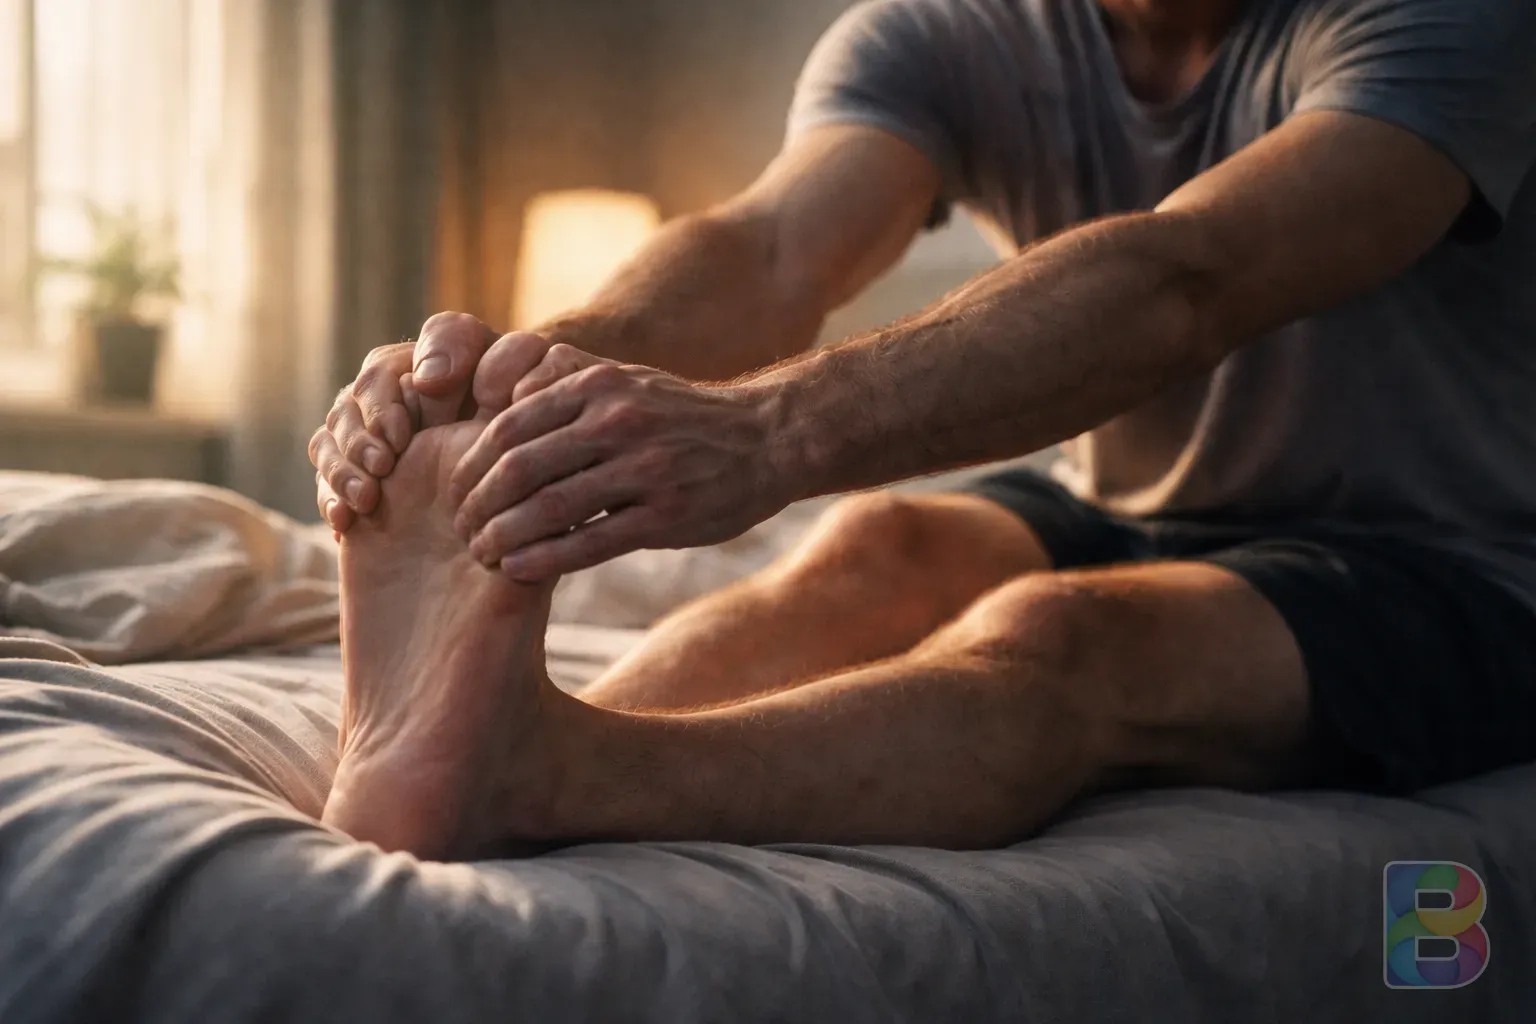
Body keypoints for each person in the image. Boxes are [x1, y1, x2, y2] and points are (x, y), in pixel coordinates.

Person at [309, 0, 1536, 859]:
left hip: (1449, 555)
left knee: (1059, 637)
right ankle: (503, 744)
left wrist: (767, 433)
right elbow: (771, 247)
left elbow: (1189, 281)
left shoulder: (1449, 18)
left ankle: (553, 786)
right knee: (877, 544)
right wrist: (518, 383)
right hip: (1124, 499)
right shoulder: (951, 31)